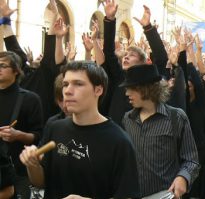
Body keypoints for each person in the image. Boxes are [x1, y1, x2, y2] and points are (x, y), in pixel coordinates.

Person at [20, 61, 140, 199]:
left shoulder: (119, 141)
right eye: (65, 84)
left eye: (78, 84)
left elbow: (127, 195)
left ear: (98, 90)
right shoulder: (55, 128)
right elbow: (40, 183)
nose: (68, 91)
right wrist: (32, 165)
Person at [121, 64, 199, 198]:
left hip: (165, 195)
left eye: (132, 88)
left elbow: (191, 160)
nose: (127, 93)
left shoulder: (177, 117)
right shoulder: (127, 119)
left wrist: (183, 177)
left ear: (148, 88)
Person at [0, 51, 44, 198]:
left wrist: (18, 135)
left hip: (18, 171)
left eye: (2, 65)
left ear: (16, 70)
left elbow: (38, 136)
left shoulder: (30, 99)